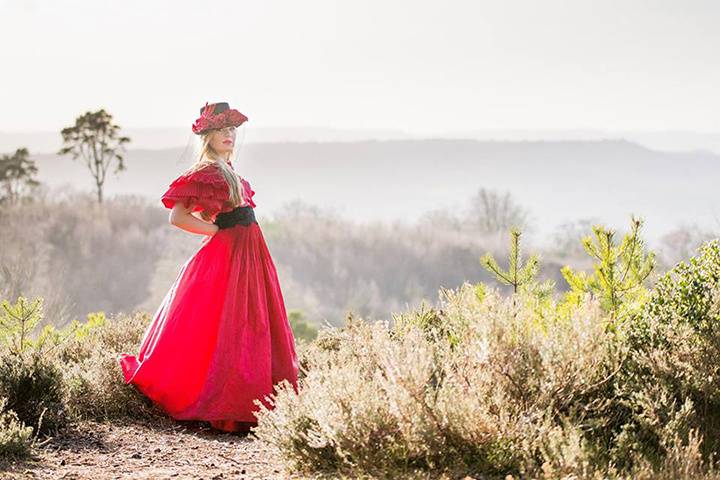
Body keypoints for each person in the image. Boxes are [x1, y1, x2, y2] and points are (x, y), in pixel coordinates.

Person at [119, 101, 299, 433]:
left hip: (250, 254)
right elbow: (178, 215)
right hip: (229, 254)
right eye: (222, 130)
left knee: (249, 323)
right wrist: (216, 230)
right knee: (227, 324)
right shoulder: (206, 170)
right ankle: (228, 402)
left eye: (232, 129)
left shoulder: (228, 170)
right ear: (209, 136)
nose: (229, 135)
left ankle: (255, 399)